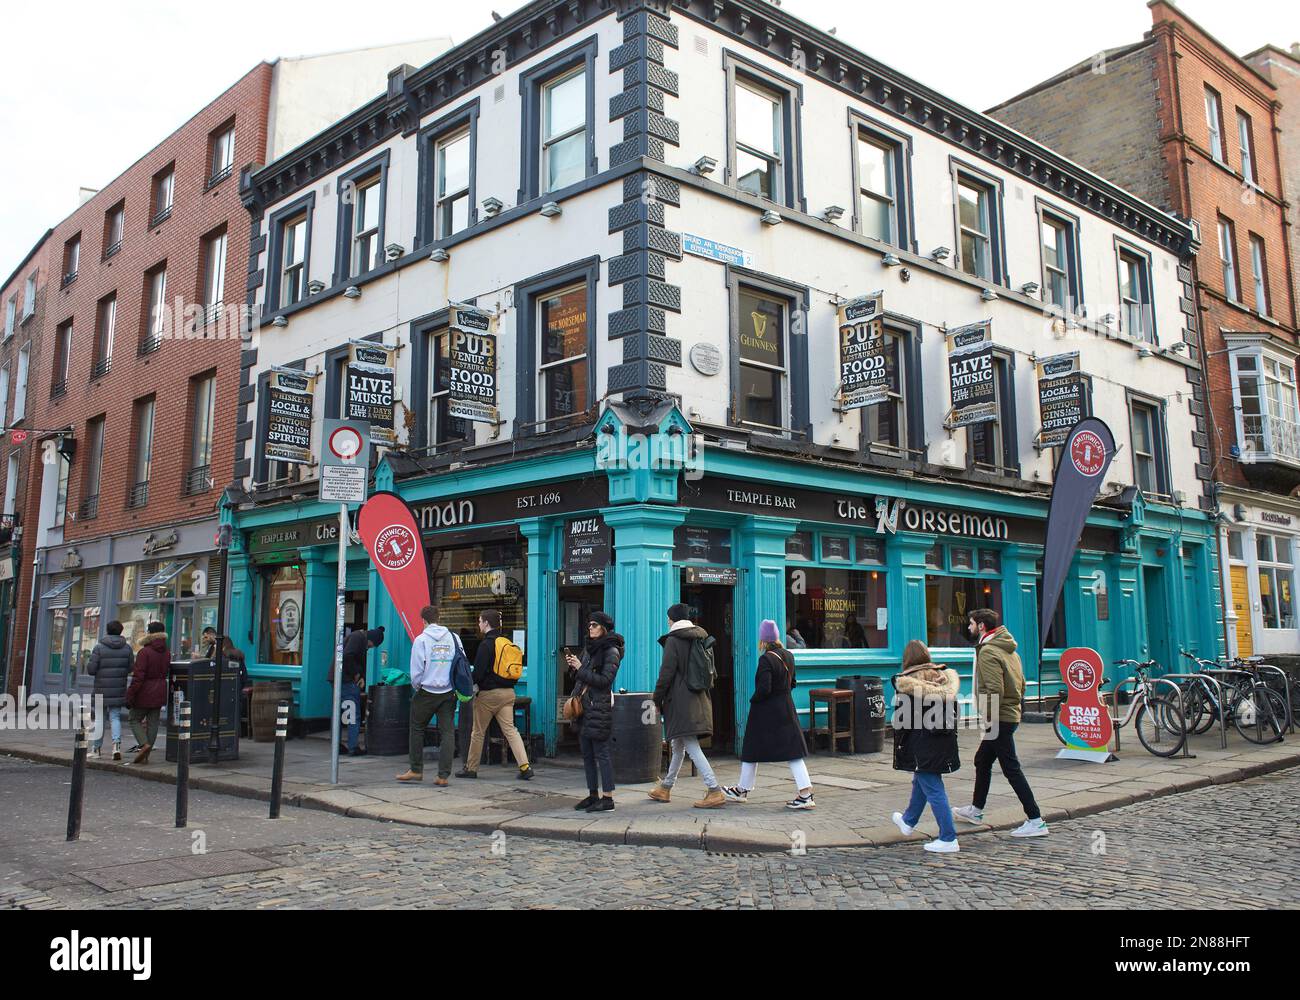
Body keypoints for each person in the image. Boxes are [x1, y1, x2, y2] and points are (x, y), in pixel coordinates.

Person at [953, 609, 1048, 838]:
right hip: (1008, 714)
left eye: (972, 624)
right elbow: (1022, 683)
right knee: (982, 760)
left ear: (982, 626)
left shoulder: (989, 652)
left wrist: (988, 719)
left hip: (999, 718)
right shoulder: (1009, 650)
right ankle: (975, 810)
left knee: (1011, 768)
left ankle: (1036, 820)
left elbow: (994, 690)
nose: (969, 628)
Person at [722, 620, 815, 809]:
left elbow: (764, 688)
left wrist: (753, 700)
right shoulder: (788, 655)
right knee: (793, 752)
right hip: (786, 707)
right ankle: (804, 793)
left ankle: (742, 789)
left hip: (767, 711)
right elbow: (793, 683)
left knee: (751, 748)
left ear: (763, 639)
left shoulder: (766, 659)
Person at [648, 604, 725, 809]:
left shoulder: (674, 640)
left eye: (668, 617)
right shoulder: (701, 637)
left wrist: (656, 699)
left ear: (673, 619)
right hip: (698, 697)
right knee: (678, 745)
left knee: (690, 745)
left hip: (681, 701)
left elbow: (666, 673)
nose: (667, 621)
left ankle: (714, 789)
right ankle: (665, 787)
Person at [890, 639, 962, 853]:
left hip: (921, 742)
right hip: (944, 739)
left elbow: (902, 720)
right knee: (922, 779)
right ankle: (908, 821)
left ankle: (948, 837)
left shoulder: (907, 683)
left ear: (907, 660)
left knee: (932, 786)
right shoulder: (943, 678)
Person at [458, 610, 533, 780]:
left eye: (479, 621)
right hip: (508, 693)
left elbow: (478, 673)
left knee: (477, 732)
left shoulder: (486, 644)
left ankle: (471, 768)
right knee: (511, 730)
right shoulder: (507, 642)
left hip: (488, 696)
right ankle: (525, 767)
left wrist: (468, 685)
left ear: (486, 623)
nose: (478, 624)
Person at [564, 612, 622, 811]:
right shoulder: (589, 649)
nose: (590, 628)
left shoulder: (611, 651)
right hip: (583, 708)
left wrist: (581, 669)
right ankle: (592, 794)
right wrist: (574, 667)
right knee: (587, 754)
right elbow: (581, 678)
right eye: (589, 624)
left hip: (599, 708)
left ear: (604, 627)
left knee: (602, 754)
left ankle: (608, 798)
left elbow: (605, 682)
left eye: (594, 625)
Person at [397, 608, 460, 785]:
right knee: (447, 732)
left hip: (426, 691)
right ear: (439, 619)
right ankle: (443, 775)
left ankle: (416, 769)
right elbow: (460, 662)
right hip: (448, 691)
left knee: (417, 729)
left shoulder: (421, 640)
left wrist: (418, 687)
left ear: (423, 620)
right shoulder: (454, 638)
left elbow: (416, 670)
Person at [87, 620, 134, 761]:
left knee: (100, 718)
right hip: (118, 688)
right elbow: (131, 668)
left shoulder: (99, 648)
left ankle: (96, 749)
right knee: (115, 717)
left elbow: (91, 670)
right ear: (121, 631)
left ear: (107, 630)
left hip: (101, 688)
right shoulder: (127, 648)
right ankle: (116, 747)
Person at [125, 622, 170, 766]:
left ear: (149, 633)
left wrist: (130, 694)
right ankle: (146, 755)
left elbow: (138, 677)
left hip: (145, 691)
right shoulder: (166, 652)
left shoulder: (144, 652)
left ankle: (144, 745)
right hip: (160, 689)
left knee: (133, 718)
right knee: (153, 722)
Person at [340, 626, 383, 756]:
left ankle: (337, 745)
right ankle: (353, 747)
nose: (370, 647)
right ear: (370, 639)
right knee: (353, 712)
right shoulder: (358, 637)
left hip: (341, 678)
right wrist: (357, 674)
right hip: (346, 680)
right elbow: (348, 656)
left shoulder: (357, 637)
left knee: (340, 712)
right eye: (372, 645)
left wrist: (360, 676)